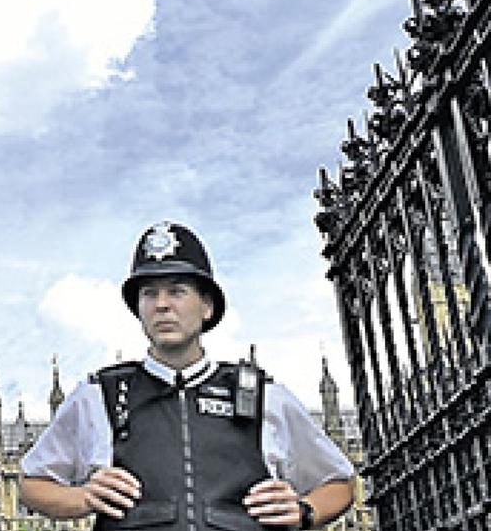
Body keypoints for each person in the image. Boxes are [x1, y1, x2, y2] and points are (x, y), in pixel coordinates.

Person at [20, 221, 354, 531]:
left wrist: (306, 511)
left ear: (207, 306)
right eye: (149, 293)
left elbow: (339, 483)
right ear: (139, 309)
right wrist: (82, 498)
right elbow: (32, 484)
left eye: (177, 291)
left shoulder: (263, 395)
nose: (162, 305)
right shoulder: (99, 395)